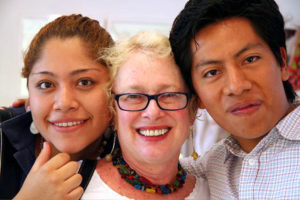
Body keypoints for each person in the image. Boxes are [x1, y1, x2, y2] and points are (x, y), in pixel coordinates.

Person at [170, 0, 300, 199]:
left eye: (250, 59)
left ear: (282, 62)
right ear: (198, 97)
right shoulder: (207, 168)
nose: (237, 86)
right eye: (212, 72)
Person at [80, 31, 209, 199]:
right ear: (114, 112)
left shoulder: (214, 191)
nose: (153, 112)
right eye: (133, 96)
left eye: (169, 95)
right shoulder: (73, 188)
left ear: (191, 109)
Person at [0, 14, 115, 200]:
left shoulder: (133, 152)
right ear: (30, 95)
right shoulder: (2, 140)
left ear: (115, 87)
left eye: (84, 82)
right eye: (46, 84)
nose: (64, 103)